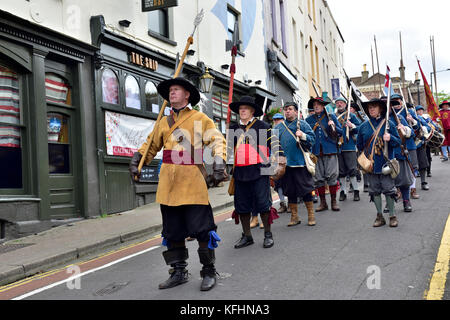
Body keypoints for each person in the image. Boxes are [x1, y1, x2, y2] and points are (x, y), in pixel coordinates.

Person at [129, 77, 227, 291]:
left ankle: (208, 271)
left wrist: (219, 163)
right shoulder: (163, 123)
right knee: (172, 232)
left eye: (176, 90)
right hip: (169, 185)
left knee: (202, 230)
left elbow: (217, 140)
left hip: (192, 183)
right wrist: (137, 160)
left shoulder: (200, 118)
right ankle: (179, 271)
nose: (172, 93)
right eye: (170, 90)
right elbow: (150, 146)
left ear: (187, 95)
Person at [228, 96, 285, 249]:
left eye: (246, 108)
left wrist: (280, 162)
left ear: (252, 111)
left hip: (260, 170)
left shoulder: (263, 126)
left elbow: (275, 145)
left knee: (263, 204)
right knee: (242, 206)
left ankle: (268, 234)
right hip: (240, 172)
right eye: (241, 109)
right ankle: (247, 236)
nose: (243, 111)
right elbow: (227, 149)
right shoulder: (233, 129)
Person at [356, 98, 402, 227]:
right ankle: (379, 216)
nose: (371, 109)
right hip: (371, 165)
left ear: (380, 109)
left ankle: (392, 215)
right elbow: (359, 145)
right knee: (374, 191)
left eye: (374, 107)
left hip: (386, 163)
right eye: (369, 107)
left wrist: (390, 137)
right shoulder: (363, 127)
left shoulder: (389, 124)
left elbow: (398, 142)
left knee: (389, 190)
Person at [275, 102, 316, 226]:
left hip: (300, 163)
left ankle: (311, 215)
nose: (287, 111)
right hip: (285, 165)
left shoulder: (302, 124)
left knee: (306, 190)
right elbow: (272, 145)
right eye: (286, 109)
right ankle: (294, 217)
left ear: (295, 111)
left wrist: (302, 135)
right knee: (290, 191)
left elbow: (312, 139)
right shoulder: (278, 127)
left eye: (290, 109)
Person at [306, 97, 343, 212]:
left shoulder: (331, 117)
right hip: (316, 152)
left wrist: (333, 126)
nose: (316, 106)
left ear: (323, 106)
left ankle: (333, 201)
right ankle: (323, 203)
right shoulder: (308, 120)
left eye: (319, 104)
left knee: (332, 176)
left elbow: (340, 132)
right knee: (318, 178)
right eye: (315, 104)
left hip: (330, 150)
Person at [388, 94, 418, 211]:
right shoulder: (378, 120)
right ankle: (389, 203)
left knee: (404, 180)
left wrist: (404, 129)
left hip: (399, 153)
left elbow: (412, 133)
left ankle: (406, 200)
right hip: (385, 155)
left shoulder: (399, 118)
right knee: (387, 182)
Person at [334, 97, 362, 201]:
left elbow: (360, 128)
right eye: (337, 103)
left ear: (345, 104)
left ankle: (356, 191)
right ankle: (343, 192)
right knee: (341, 172)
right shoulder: (333, 116)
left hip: (349, 146)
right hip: (338, 147)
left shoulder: (351, 116)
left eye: (341, 102)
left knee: (352, 170)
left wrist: (352, 126)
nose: (339, 104)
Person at [414, 105, 432, 190]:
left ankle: (423, 182)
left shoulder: (419, 118)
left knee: (423, 164)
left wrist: (423, 128)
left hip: (419, 143)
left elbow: (428, 128)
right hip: (407, 145)